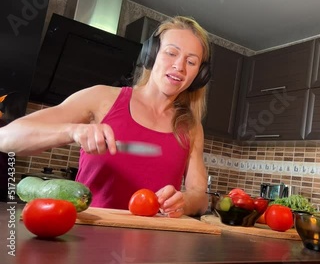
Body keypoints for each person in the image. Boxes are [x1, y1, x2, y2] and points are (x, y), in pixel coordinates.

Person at [0, 16, 211, 217]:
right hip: (89, 240)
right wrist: (73, 131)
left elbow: (200, 197)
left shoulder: (191, 127)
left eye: (191, 62)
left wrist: (183, 201)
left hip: (154, 246)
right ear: (152, 54)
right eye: (171, 53)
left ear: (199, 75)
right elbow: (6, 138)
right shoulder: (101, 97)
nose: (179, 66)